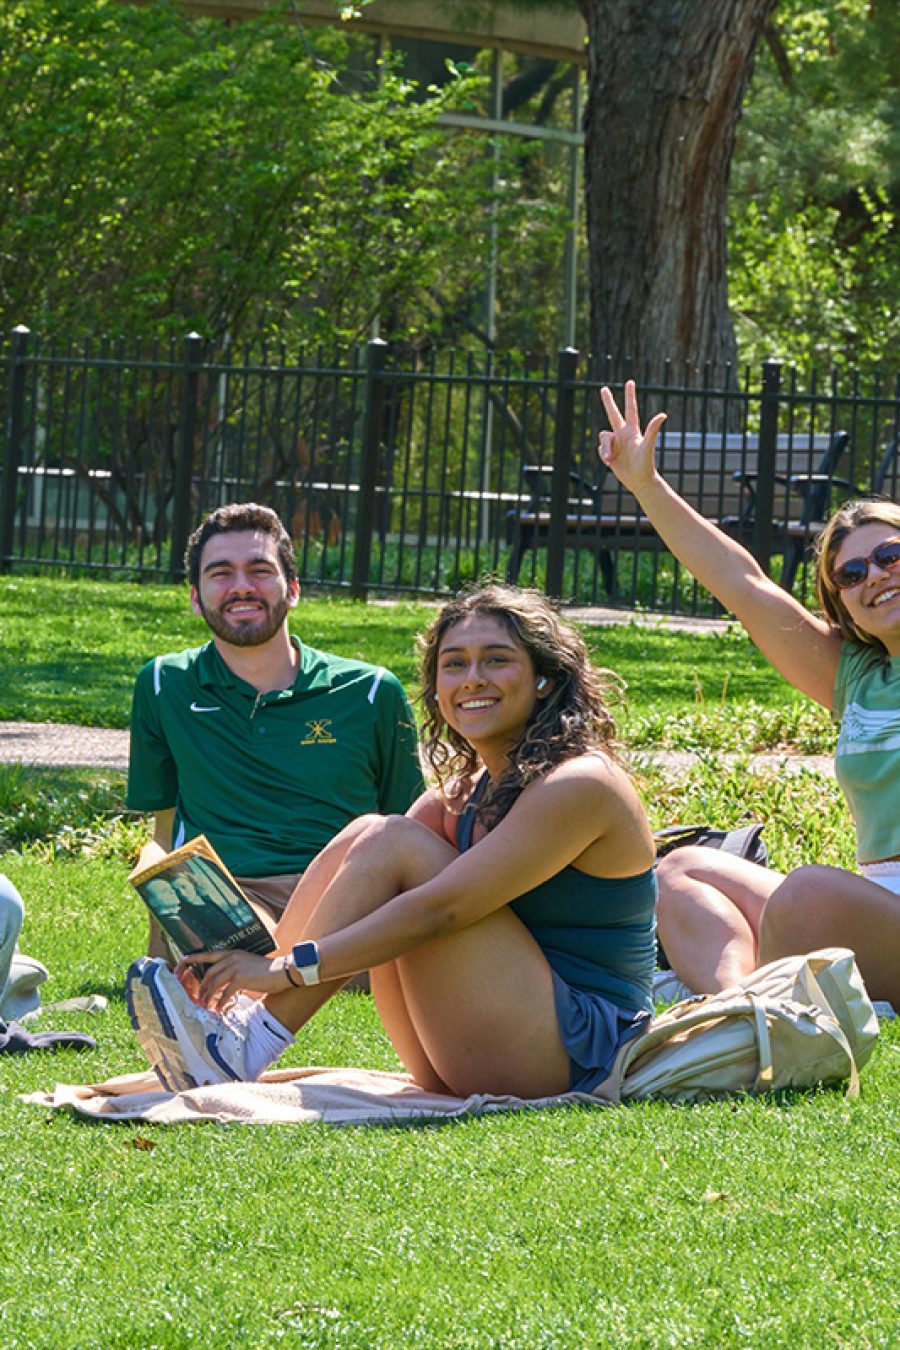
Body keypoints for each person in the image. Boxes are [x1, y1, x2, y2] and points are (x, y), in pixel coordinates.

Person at [126, 583, 658, 1098]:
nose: (472, 679)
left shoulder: (582, 783)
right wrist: (241, 978)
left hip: (579, 1053)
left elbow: (442, 911)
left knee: (393, 841)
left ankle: (244, 1047)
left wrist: (279, 971)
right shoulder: (466, 794)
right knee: (368, 831)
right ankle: (235, 1022)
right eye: (454, 664)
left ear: (544, 678)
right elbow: (367, 867)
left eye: (496, 659)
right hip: (491, 1045)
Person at [598, 381, 900, 1009]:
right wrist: (645, 485)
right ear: (840, 601)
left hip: (849, 910)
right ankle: (744, 1010)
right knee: (682, 873)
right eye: (852, 573)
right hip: (873, 906)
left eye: (891, 554)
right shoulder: (852, 677)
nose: (874, 575)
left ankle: (774, 1005)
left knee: (809, 892)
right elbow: (743, 582)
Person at [126, 502, 424, 952]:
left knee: (307, 954)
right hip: (234, 898)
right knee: (226, 937)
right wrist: (156, 956)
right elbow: (165, 832)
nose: (241, 587)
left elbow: (408, 824)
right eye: (221, 573)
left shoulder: (371, 692)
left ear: (294, 589)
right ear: (194, 596)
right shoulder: (162, 683)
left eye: (260, 570)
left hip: (343, 894)